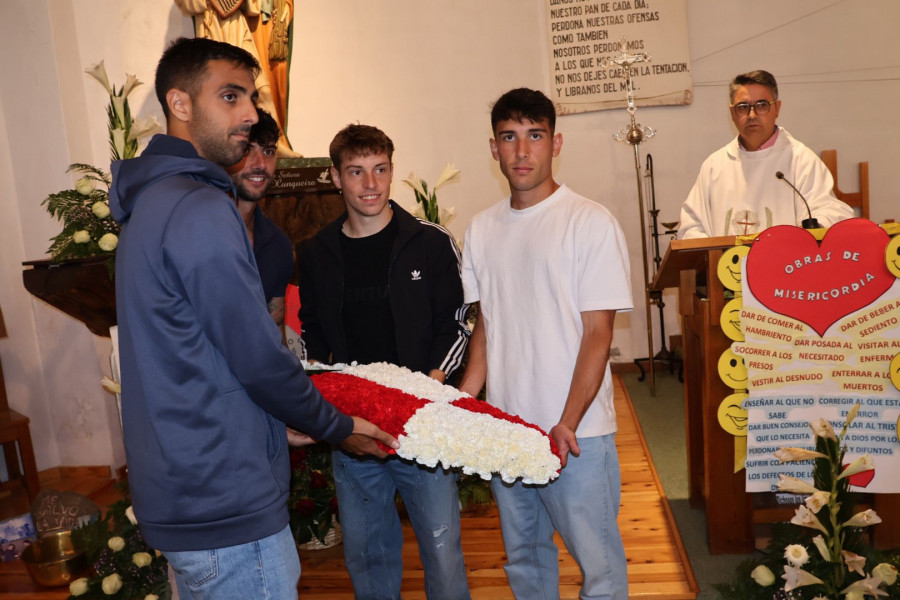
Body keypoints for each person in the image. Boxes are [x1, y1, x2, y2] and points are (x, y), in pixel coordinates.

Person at [109, 37, 396, 599]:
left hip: (187, 485)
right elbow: (256, 355)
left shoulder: (151, 203)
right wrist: (335, 426)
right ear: (181, 104)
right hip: (225, 499)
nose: (250, 114)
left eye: (252, 97)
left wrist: (270, 423)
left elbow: (195, 357)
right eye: (231, 96)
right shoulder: (198, 207)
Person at [458, 88, 632, 600]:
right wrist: (467, 399)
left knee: (598, 569)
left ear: (555, 143)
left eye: (535, 136)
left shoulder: (589, 222)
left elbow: (599, 336)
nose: (522, 151)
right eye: (509, 138)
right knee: (526, 563)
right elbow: (490, 323)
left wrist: (568, 421)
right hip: (510, 429)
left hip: (577, 434)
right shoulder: (483, 228)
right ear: (494, 149)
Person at [297, 124, 471, 600]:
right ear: (335, 177)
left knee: (442, 551)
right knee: (367, 555)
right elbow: (312, 341)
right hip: (353, 433)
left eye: (380, 170)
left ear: (392, 171)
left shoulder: (431, 243)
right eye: (356, 172)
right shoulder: (316, 254)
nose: (370, 184)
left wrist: (427, 392)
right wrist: (333, 415)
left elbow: (457, 324)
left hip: (423, 425)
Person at [678, 69, 854, 238]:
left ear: (777, 108)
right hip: (727, 267)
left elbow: (830, 211)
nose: (752, 114)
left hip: (785, 266)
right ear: (732, 113)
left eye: (762, 105)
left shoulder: (801, 160)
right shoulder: (714, 166)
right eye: (743, 107)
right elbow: (691, 226)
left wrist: (811, 229)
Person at [227, 106, 292, 327]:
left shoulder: (278, 245)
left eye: (268, 151)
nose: (260, 164)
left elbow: (274, 336)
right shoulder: (199, 230)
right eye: (247, 150)